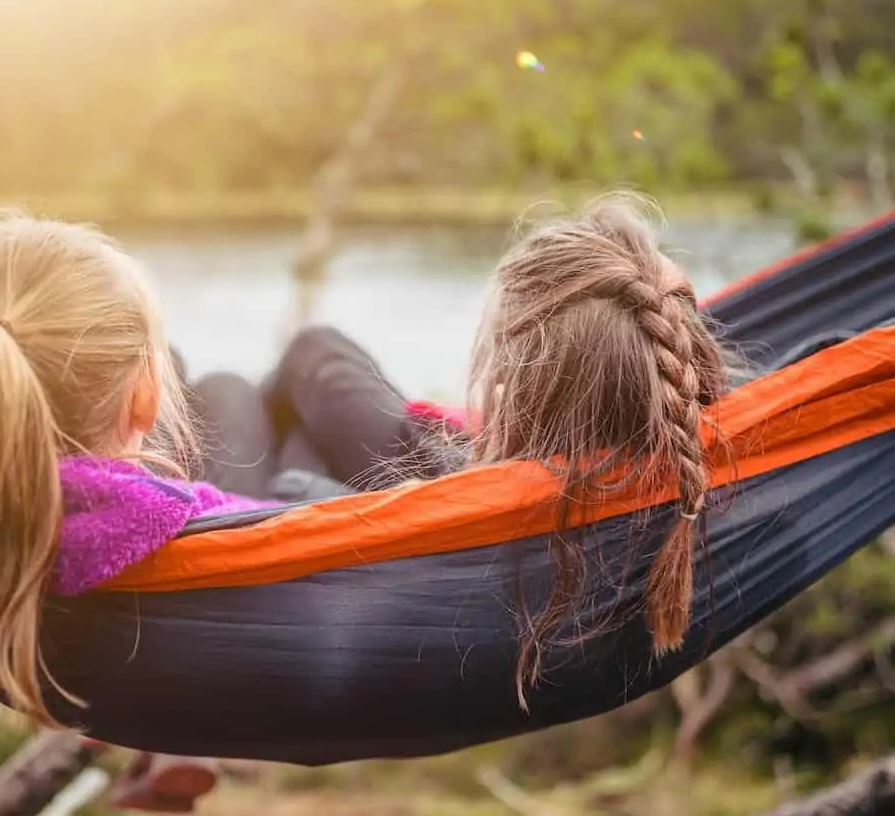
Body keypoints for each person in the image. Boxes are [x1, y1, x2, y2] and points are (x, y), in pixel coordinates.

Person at [261, 191, 732, 703]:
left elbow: (290, 488)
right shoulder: (727, 458)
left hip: (442, 487)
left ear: (512, 396)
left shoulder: (484, 516)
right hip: (481, 464)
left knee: (272, 387)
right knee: (306, 381)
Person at [0, 211, 286, 813]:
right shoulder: (177, 516)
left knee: (211, 378)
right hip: (217, 615)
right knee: (261, 381)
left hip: (115, 645)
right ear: (145, 398)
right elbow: (291, 530)